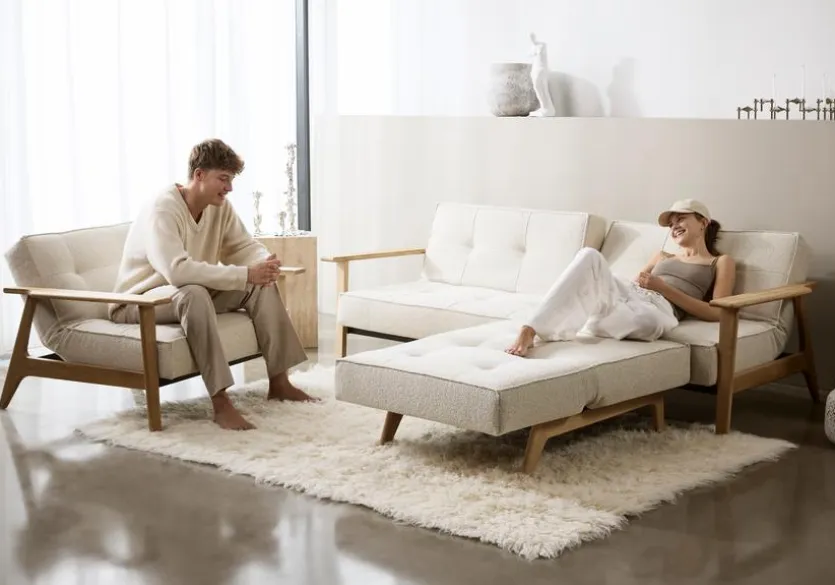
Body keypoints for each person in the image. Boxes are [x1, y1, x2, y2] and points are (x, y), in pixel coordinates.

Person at [109, 138, 313, 430]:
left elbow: (242, 246)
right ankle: (220, 403)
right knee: (193, 293)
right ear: (199, 175)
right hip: (139, 301)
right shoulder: (163, 209)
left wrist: (264, 263)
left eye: (231, 180)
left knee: (259, 285)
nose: (229, 188)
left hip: (186, 292)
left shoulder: (219, 207)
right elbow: (177, 272)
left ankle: (280, 383)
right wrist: (245, 274)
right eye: (223, 178)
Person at [505, 199, 736, 357]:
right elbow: (634, 286)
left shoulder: (720, 262)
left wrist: (663, 288)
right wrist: (641, 285)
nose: (674, 227)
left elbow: (717, 312)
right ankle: (530, 329)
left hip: (659, 309)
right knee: (589, 256)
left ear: (703, 222)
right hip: (632, 296)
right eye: (671, 224)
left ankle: (588, 317)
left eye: (681, 219)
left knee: (650, 325)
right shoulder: (662, 255)